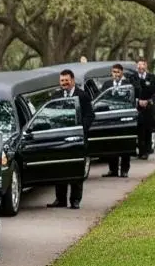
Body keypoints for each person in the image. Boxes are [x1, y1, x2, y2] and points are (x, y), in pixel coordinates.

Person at [46, 69, 94, 210]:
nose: (64, 83)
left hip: (77, 138)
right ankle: (60, 199)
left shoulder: (83, 96)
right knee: (60, 167)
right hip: (60, 138)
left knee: (75, 167)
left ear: (72, 80)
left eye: (66, 80)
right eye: (62, 81)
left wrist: (80, 129)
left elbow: (90, 116)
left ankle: (75, 200)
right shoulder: (56, 96)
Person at [100, 63, 134, 177]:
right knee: (112, 143)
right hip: (111, 118)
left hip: (124, 117)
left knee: (125, 143)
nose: (116, 74)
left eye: (118, 72)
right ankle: (113, 169)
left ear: (122, 73)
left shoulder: (127, 84)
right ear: (111, 73)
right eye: (114, 72)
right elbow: (102, 98)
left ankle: (124, 170)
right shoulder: (107, 84)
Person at [133, 58, 155, 160]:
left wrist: (150, 101)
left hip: (149, 107)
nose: (140, 67)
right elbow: (130, 91)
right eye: (138, 65)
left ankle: (146, 151)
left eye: (142, 65)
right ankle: (141, 151)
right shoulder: (133, 77)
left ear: (146, 66)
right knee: (139, 129)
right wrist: (138, 101)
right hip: (137, 107)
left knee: (148, 129)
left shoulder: (152, 77)